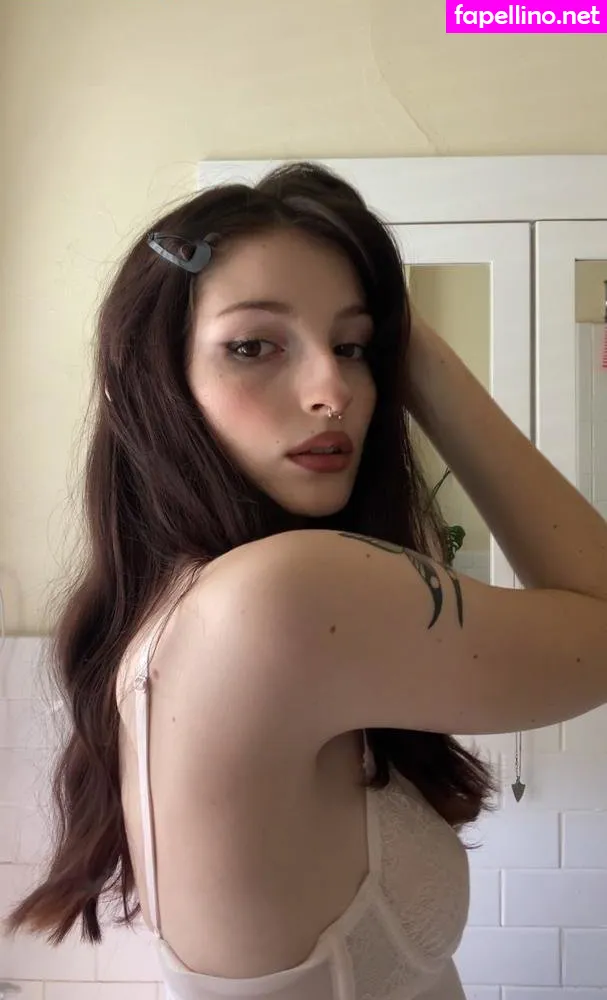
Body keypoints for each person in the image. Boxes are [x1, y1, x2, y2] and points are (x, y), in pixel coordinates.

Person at [4, 161, 607, 1000]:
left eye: (354, 347)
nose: (333, 391)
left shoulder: (185, 604)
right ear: (155, 379)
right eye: (253, 346)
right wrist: (422, 359)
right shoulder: (281, 596)